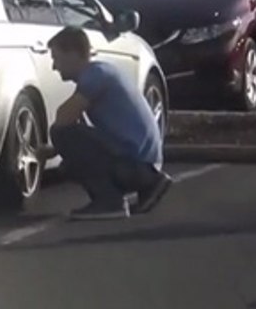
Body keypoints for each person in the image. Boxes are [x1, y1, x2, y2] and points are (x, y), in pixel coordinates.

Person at [35, 26, 172, 220]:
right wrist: (55, 151)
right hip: (142, 162)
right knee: (68, 164)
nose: (54, 67)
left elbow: (63, 118)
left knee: (61, 133)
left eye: (56, 58)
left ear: (73, 54)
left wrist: (56, 145)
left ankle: (109, 201)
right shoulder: (103, 71)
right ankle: (142, 185)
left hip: (136, 165)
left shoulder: (95, 76)